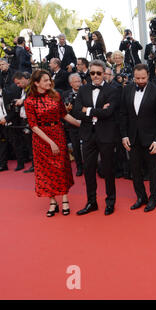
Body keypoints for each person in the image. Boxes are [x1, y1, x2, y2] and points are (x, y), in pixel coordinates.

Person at [23, 69, 80, 217]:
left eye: (49, 80)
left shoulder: (56, 96)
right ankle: (52, 201)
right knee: (45, 171)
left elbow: (64, 115)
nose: (49, 82)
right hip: (41, 139)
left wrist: (80, 123)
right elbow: (33, 125)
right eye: (45, 80)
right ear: (36, 83)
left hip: (58, 133)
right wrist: (50, 142)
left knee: (61, 167)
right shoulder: (29, 101)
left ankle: (65, 199)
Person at [73, 60, 119, 216]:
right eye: (92, 73)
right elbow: (76, 111)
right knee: (88, 170)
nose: (95, 76)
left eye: (98, 73)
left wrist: (89, 110)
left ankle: (110, 202)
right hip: (87, 134)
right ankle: (91, 202)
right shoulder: (83, 89)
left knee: (108, 169)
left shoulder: (112, 90)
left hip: (106, 134)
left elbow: (109, 113)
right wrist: (97, 110)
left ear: (104, 73)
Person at [120, 64, 156, 212]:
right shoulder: (127, 89)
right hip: (132, 138)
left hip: (151, 139)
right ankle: (140, 197)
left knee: (153, 171)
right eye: (137, 78)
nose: (140, 81)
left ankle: (153, 198)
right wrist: (124, 136)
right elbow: (123, 115)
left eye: (143, 78)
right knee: (135, 170)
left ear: (148, 76)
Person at [62, 73, 83, 177]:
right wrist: (66, 110)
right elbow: (62, 110)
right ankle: (79, 167)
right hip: (72, 124)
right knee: (75, 147)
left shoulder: (86, 91)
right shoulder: (65, 94)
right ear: (71, 84)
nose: (78, 84)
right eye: (75, 82)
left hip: (86, 123)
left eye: (79, 81)